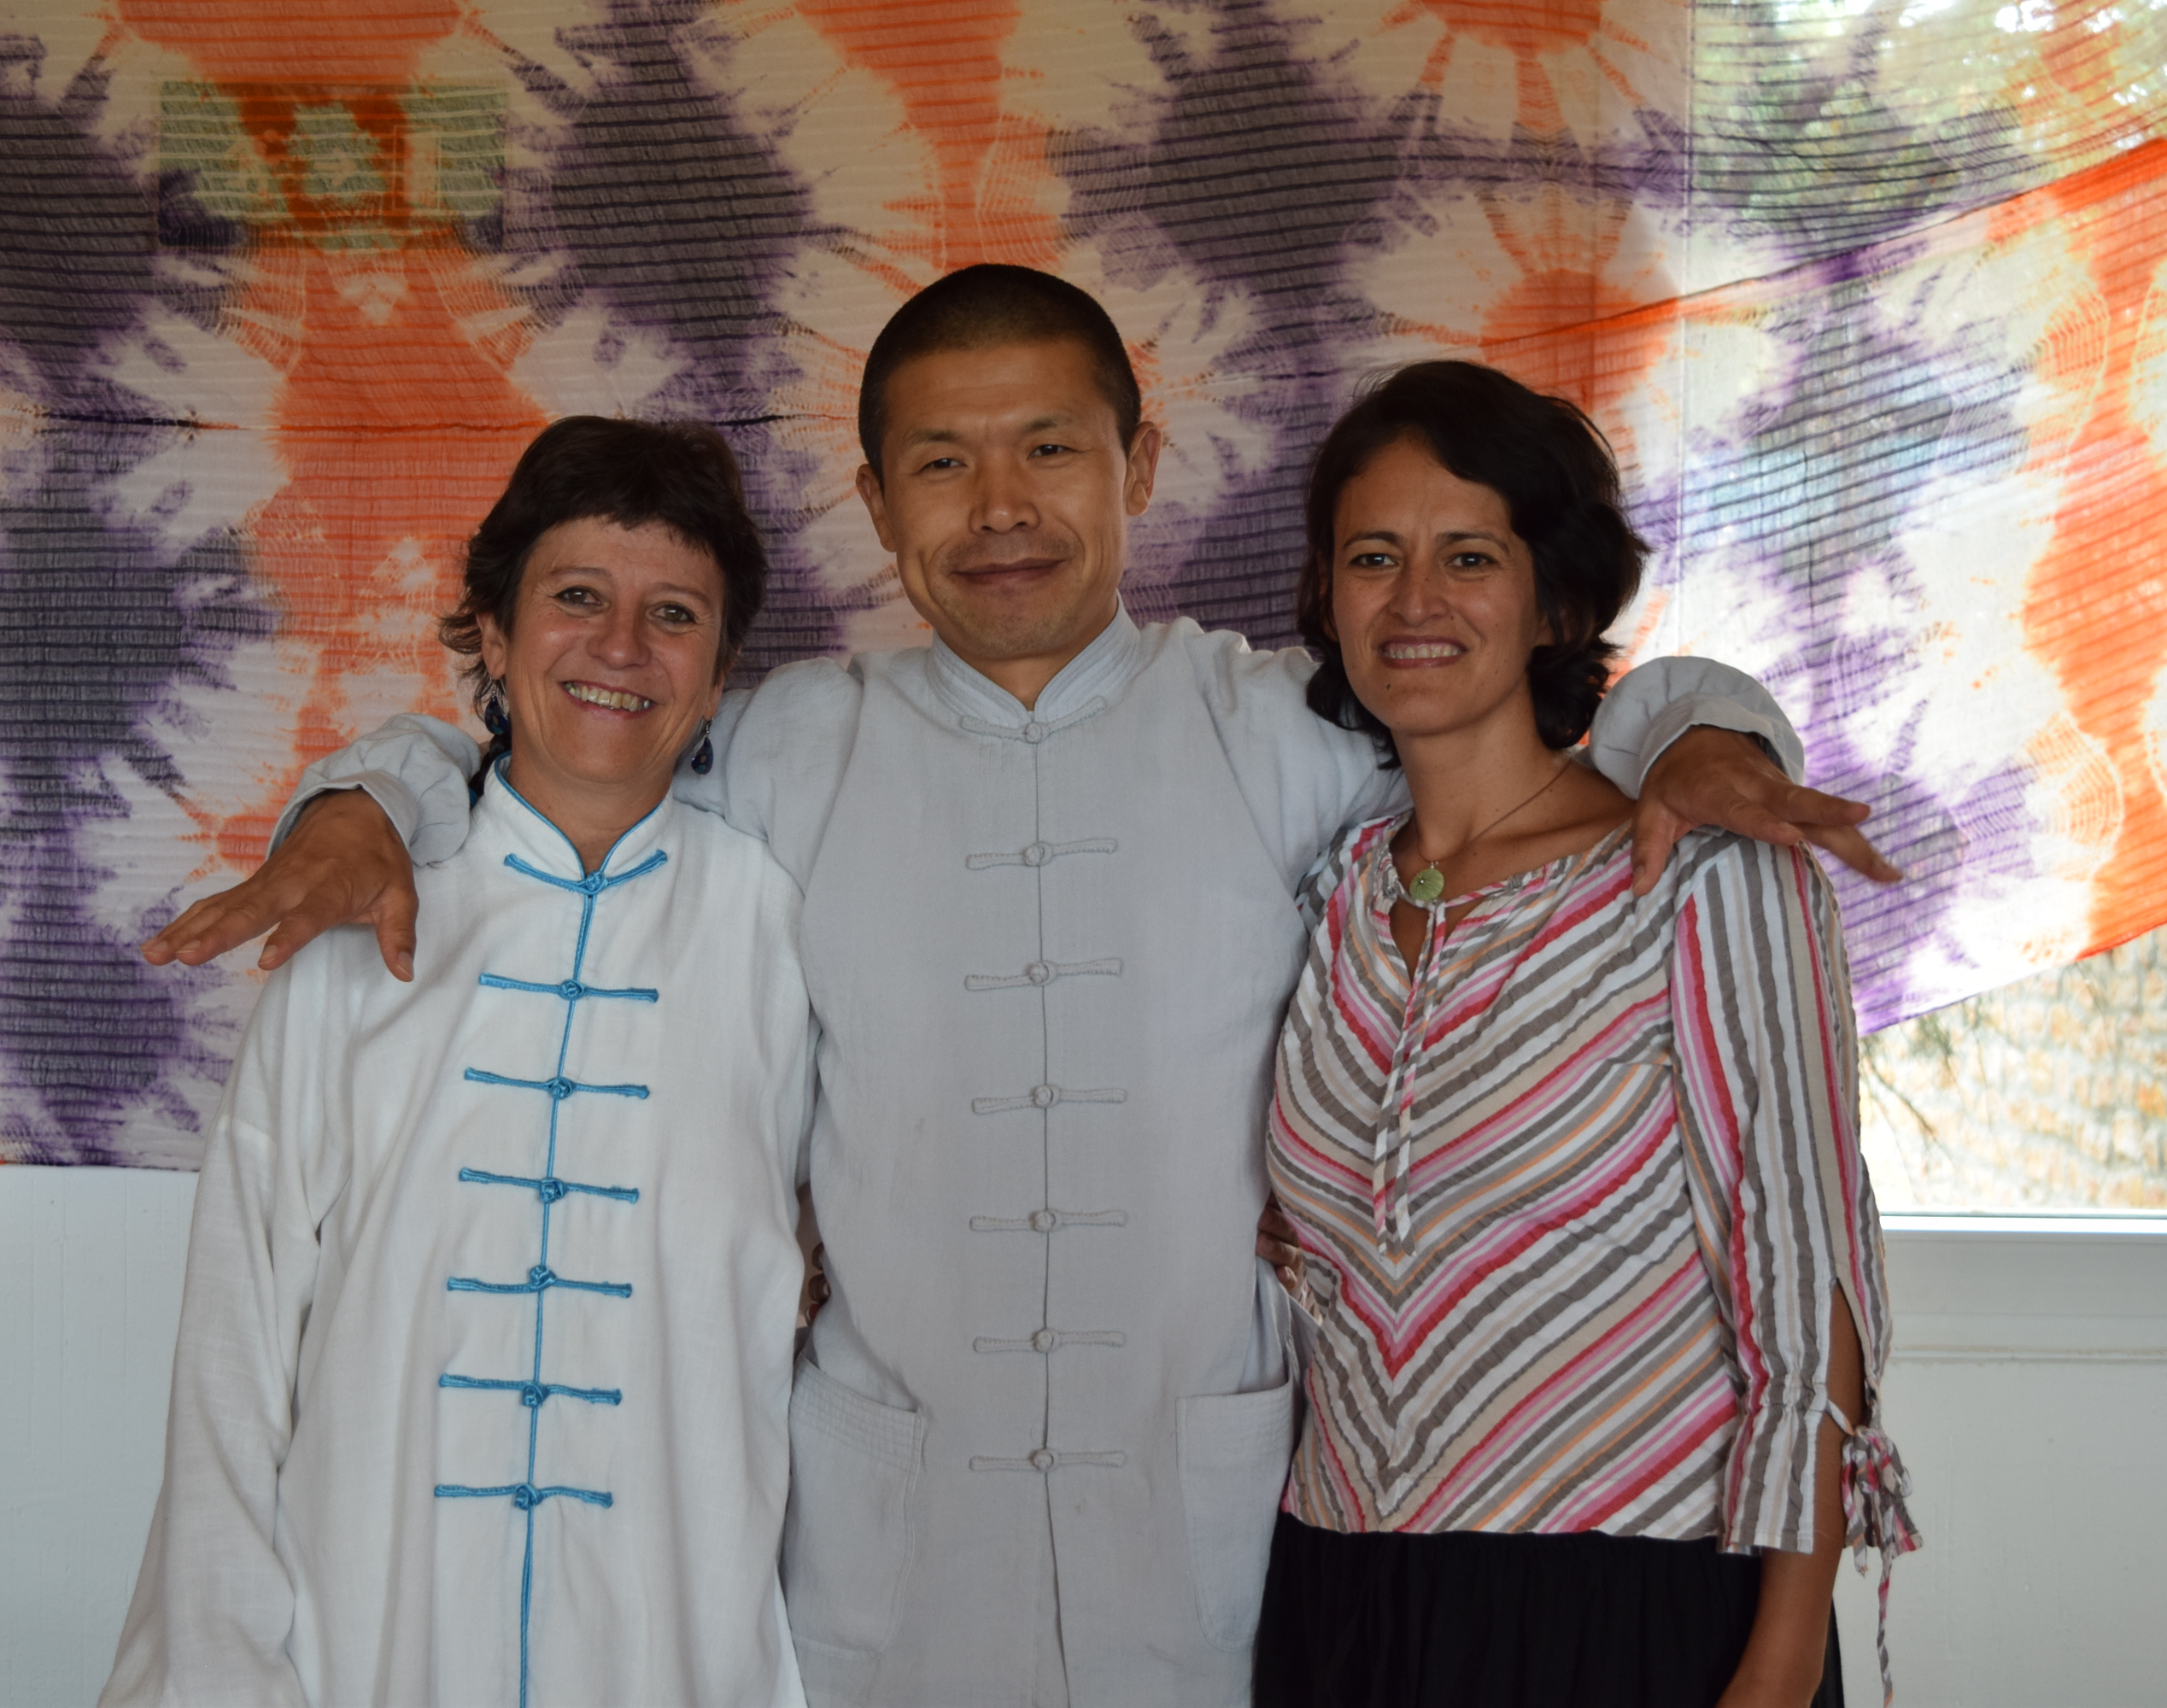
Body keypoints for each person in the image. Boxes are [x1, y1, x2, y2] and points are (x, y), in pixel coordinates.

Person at [143, 266, 1896, 1707]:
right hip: (887, 1556)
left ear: (1138, 463)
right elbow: (548, 750)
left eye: (1050, 448)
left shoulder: (1284, 731)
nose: (1000, 509)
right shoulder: (783, 747)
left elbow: (1524, 716)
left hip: (1220, 1550)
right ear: (873, 502)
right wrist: (361, 794)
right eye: (941, 462)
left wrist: (1708, 727)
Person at [102, 418, 816, 1708]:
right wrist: (220, 1665)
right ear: (491, 632)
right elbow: (236, 1336)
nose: (620, 647)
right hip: (364, 1634)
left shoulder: (788, 935)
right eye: (576, 597)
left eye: (674, 615)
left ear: (719, 679)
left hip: (676, 1644)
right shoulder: (355, 922)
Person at [1256, 362, 1918, 1708]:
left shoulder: (1703, 871)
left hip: (1636, 1601)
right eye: (1373, 557)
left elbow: (1807, 1281)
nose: (1414, 599)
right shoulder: (1327, 892)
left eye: (1470, 556)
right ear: (1327, 597)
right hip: (1340, 1597)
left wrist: (1783, 1658)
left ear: (1555, 604)